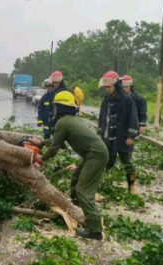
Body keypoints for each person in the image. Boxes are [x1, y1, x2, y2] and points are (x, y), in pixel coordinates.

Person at [42, 90, 108, 240]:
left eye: (56, 107)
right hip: (94, 154)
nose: (54, 110)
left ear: (60, 107)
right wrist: (40, 142)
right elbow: (57, 141)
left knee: (83, 191)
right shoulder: (70, 119)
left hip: (95, 156)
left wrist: (41, 158)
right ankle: (77, 207)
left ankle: (95, 231)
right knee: (75, 179)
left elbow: (54, 148)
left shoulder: (63, 122)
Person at [98, 71, 139, 194]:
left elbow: (133, 119)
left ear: (116, 85)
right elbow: (102, 118)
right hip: (108, 137)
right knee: (107, 162)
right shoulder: (106, 100)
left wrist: (131, 136)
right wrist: (100, 133)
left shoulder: (127, 100)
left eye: (109, 87)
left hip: (122, 137)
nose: (107, 90)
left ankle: (131, 187)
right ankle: (105, 184)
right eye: (105, 87)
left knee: (127, 163)